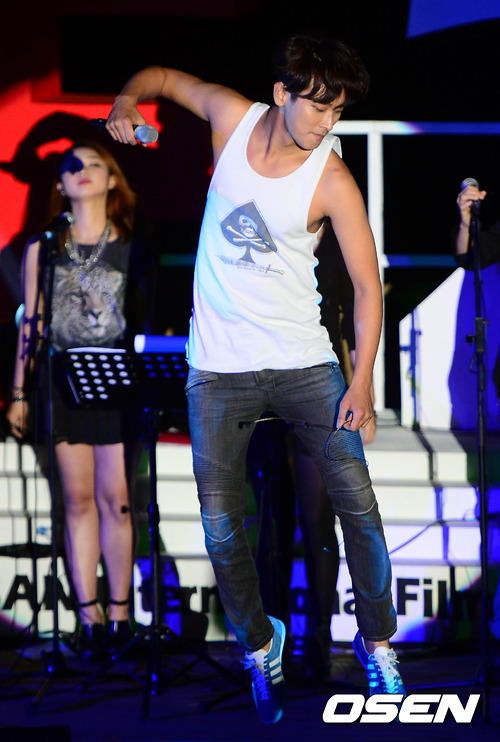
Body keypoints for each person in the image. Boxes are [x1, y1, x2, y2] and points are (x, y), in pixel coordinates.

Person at [106, 32, 404, 723]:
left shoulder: (331, 176)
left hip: (305, 361)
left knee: (358, 507)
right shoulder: (230, 117)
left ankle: (378, 644)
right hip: (219, 367)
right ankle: (260, 644)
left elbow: (367, 286)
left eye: (338, 111)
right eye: (319, 107)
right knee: (219, 527)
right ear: (282, 94)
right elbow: (161, 74)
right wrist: (126, 99)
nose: (327, 123)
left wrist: (361, 381)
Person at [6, 140, 155, 661]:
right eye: (73, 166)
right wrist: (19, 391)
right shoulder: (44, 246)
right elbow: (33, 321)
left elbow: (148, 318)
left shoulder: (133, 243)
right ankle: (89, 621)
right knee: (78, 498)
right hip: (61, 381)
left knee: (117, 498)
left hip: (116, 380)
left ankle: (121, 618)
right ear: (61, 185)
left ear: (112, 180)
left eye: (95, 164)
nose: (83, 171)